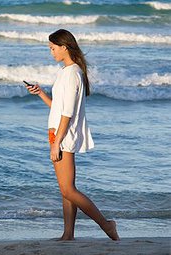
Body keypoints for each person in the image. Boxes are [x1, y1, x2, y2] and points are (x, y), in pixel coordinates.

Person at [25, 29, 120, 241]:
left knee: (68, 190)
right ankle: (68, 234)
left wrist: (56, 142)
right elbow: (58, 108)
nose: (51, 53)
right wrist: (41, 94)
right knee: (65, 189)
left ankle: (107, 225)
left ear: (64, 47)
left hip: (62, 135)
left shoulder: (72, 73)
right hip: (57, 133)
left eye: (52, 48)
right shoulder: (66, 72)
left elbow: (67, 113)